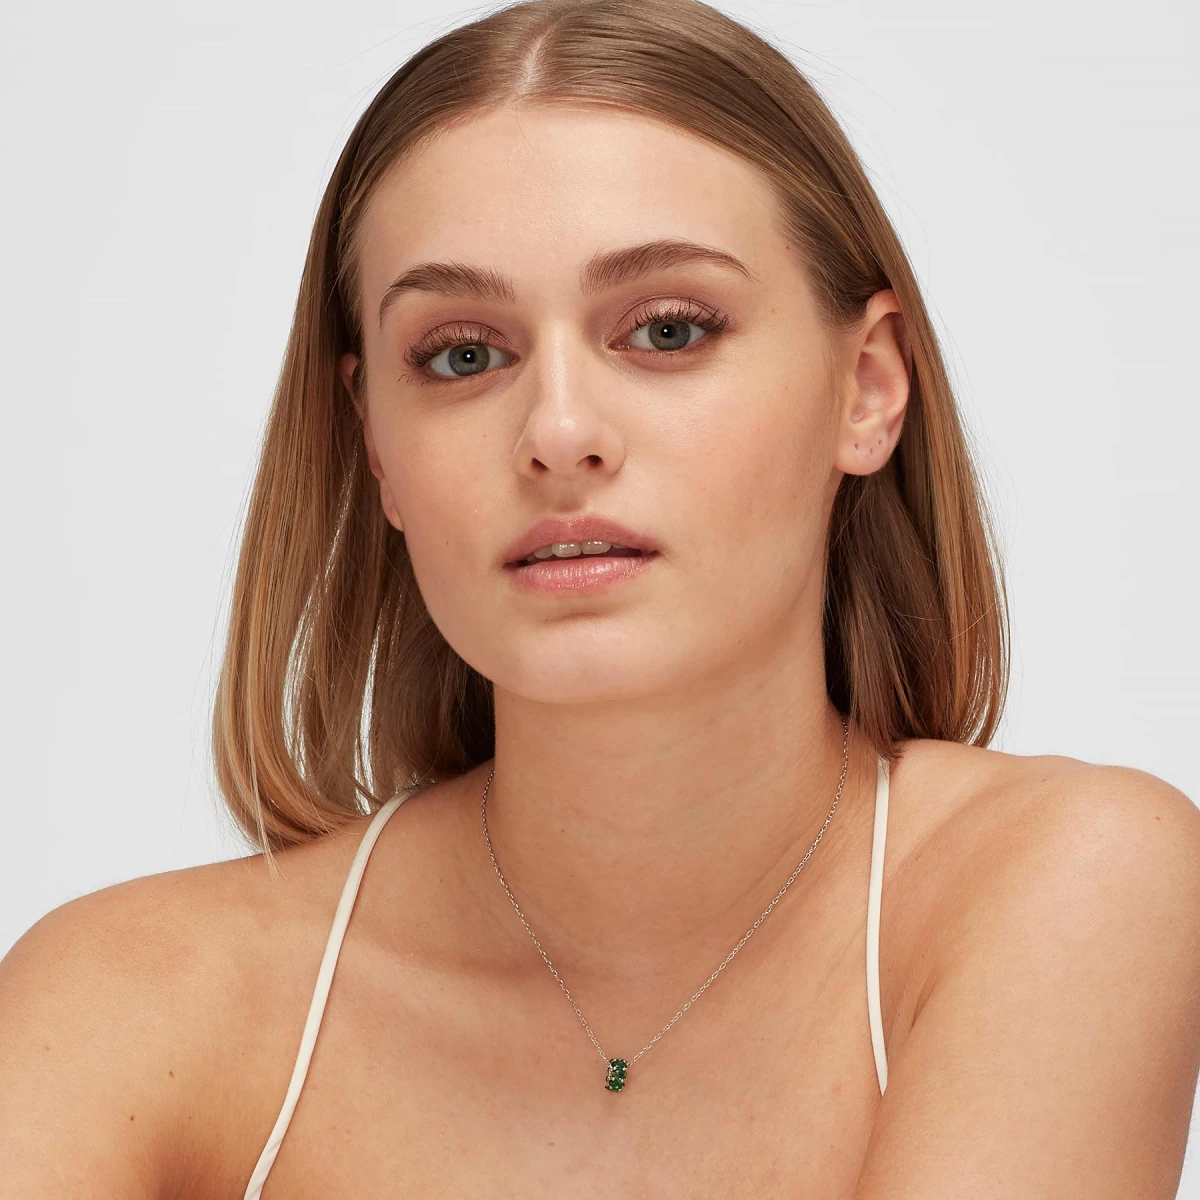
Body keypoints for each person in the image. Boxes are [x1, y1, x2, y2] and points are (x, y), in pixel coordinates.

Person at [3, 0, 1198, 1195]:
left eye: (668, 331)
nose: (559, 431)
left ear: (867, 389)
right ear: (375, 443)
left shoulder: (1065, 883)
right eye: (463, 355)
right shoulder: (129, 996)